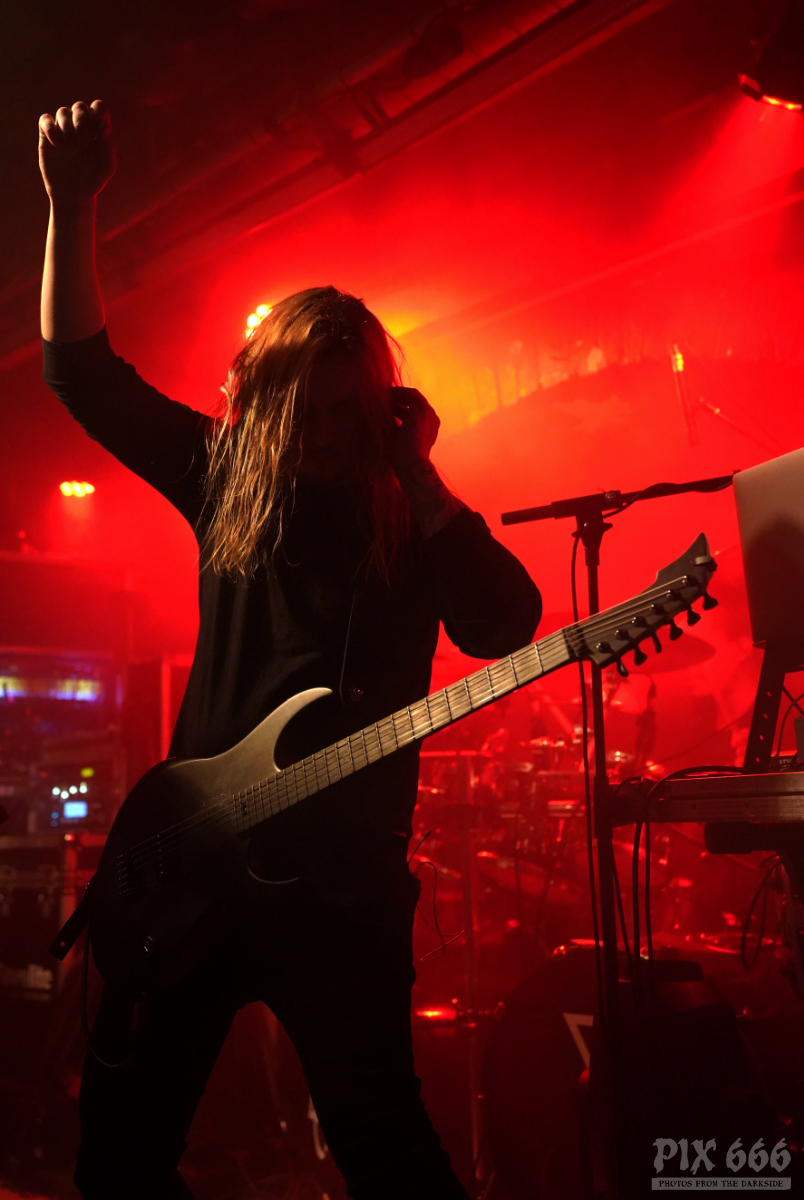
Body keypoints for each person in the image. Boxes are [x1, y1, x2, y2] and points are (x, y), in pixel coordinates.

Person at [39, 99, 541, 1200]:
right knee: (119, 1157)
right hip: (193, 873)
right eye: (304, 413)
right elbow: (80, 371)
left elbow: (506, 624)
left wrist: (422, 478)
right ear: (266, 406)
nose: (322, 435)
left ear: (383, 410)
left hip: (342, 895)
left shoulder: (411, 521)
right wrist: (72, 205)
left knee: (388, 1152)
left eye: (346, 413)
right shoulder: (226, 480)